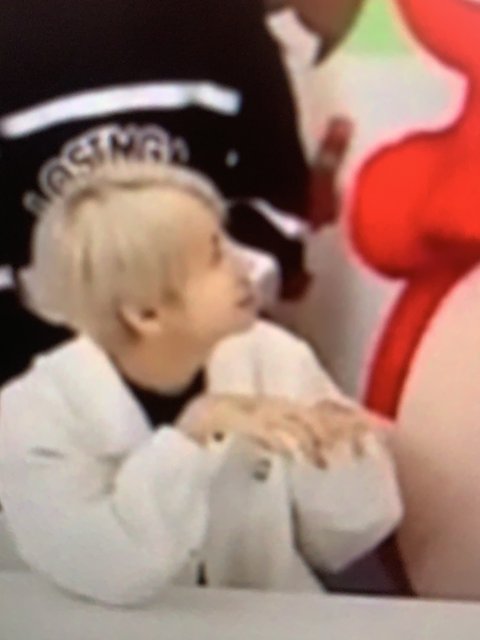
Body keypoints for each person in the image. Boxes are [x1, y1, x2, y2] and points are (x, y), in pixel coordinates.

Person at [0, 159, 402, 606]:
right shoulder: (33, 414)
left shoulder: (273, 356)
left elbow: (344, 542)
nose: (246, 265)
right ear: (145, 313)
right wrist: (190, 436)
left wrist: (337, 454)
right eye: (215, 256)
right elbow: (110, 574)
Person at [0, 0, 312, 388]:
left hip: (222, 354)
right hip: (39, 367)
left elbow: (281, 196)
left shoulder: (225, 18)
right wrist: (64, 353)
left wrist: (209, 308)